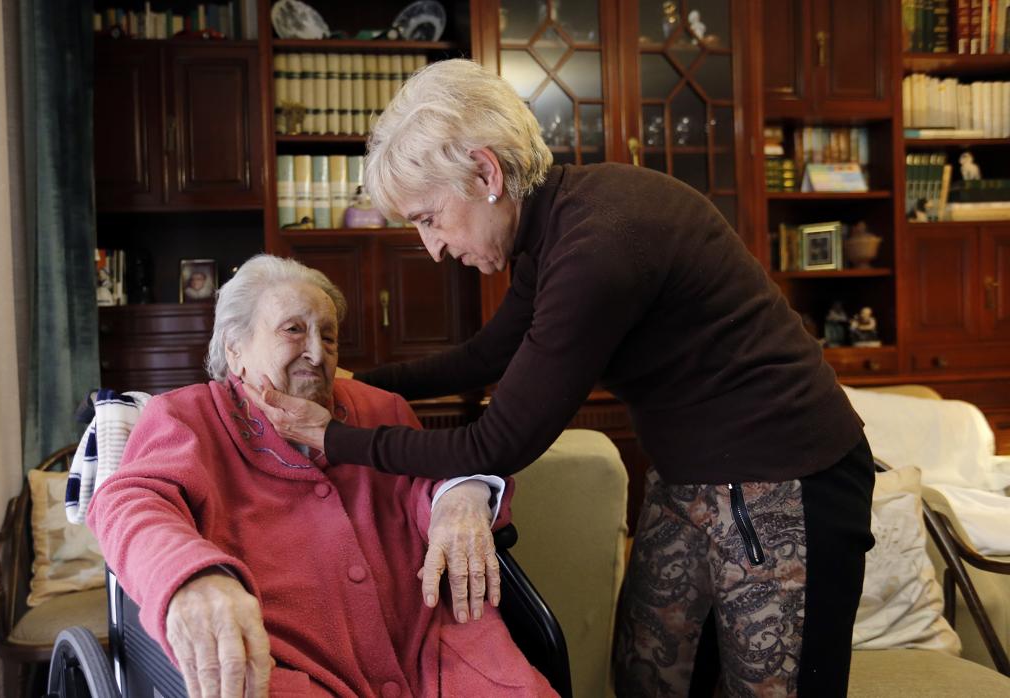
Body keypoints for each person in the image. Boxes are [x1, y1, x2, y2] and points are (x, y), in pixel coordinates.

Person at [243, 60, 874, 698]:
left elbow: (494, 445)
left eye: (429, 218)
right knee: (647, 679)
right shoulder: (552, 230)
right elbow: (485, 356)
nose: (433, 248)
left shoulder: (597, 245)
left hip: (788, 475)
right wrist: (351, 384)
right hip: (689, 477)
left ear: (486, 173)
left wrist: (332, 437)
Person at [87, 255, 555, 698]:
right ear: (235, 348)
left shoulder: (380, 408)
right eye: (294, 330)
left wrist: (462, 493)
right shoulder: (187, 417)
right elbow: (129, 501)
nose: (316, 352)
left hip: (434, 655)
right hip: (289, 670)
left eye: (328, 337)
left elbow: (436, 478)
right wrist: (193, 578)